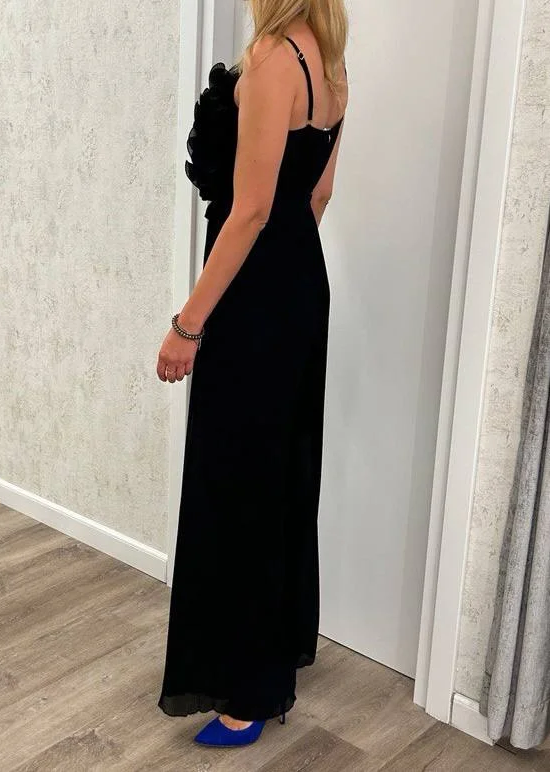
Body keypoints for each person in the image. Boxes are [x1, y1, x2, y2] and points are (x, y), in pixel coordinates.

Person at [155, 0, 349, 748]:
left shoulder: (273, 58)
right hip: (299, 283)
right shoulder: (331, 64)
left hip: (252, 297)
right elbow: (317, 195)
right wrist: (288, 276)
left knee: (237, 480)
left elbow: (249, 211)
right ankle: (272, 651)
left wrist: (187, 325)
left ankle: (247, 690)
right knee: (279, 472)